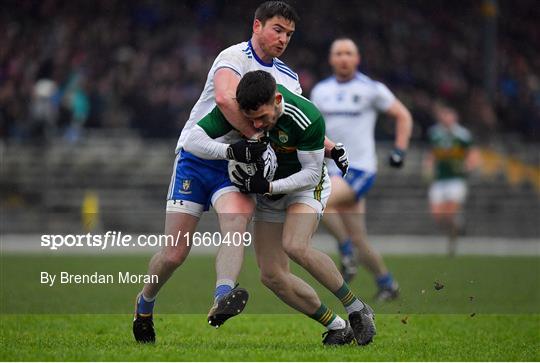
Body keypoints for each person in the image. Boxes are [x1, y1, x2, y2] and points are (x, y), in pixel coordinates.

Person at [132, 2, 348, 343]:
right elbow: (224, 99)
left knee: (236, 223)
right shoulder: (233, 56)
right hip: (198, 155)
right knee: (174, 253)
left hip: (236, 166)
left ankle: (222, 297)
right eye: (277, 29)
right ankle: (144, 303)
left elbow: (296, 121)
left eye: (289, 34)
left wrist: (331, 147)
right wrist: (255, 139)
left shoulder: (288, 78)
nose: (283, 39)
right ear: (257, 25)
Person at [185, 70, 376, 346]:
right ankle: (337, 326)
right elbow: (193, 140)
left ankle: (356, 307)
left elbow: (312, 173)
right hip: (268, 191)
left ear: (277, 99)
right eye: (251, 120)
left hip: (304, 187)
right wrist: (230, 152)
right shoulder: (240, 108)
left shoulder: (306, 115)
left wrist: (268, 187)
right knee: (271, 275)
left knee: (295, 245)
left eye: (263, 118)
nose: (258, 125)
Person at [310, 38, 412, 301]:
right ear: (331, 59)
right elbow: (313, 130)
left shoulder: (371, 89)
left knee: (319, 200)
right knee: (359, 238)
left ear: (357, 58)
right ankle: (387, 283)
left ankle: (345, 250)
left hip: (361, 168)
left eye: (349, 53)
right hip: (333, 168)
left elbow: (403, 115)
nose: (344, 58)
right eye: (338, 53)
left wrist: (399, 150)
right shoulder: (320, 91)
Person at [424, 101, 479, 256]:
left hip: (456, 180)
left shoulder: (462, 135)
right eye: (444, 115)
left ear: (455, 117)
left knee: (449, 214)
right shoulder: (435, 133)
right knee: (437, 215)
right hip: (439, 180)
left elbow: (473, 154)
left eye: (449, 115)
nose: (447, 118)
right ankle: (456, 228)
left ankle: (453, 240)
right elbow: (432, 154)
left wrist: (469, 165)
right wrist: (428, 166)